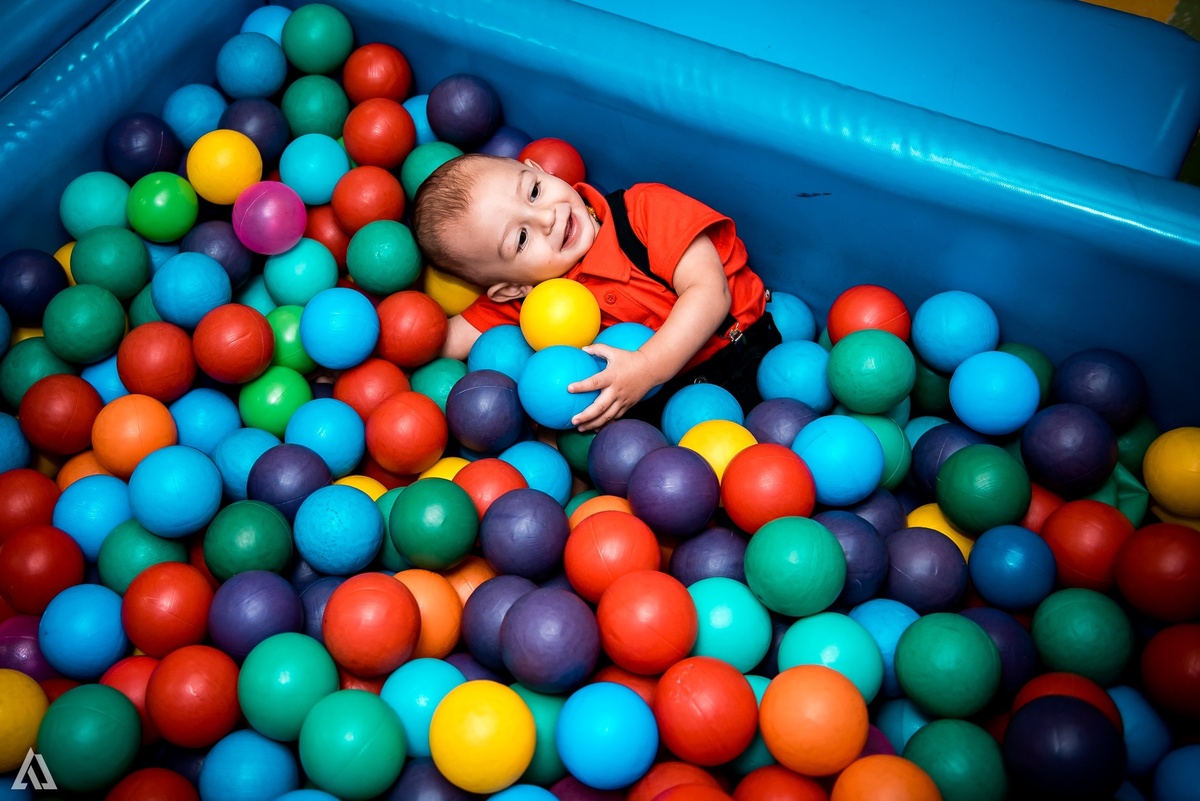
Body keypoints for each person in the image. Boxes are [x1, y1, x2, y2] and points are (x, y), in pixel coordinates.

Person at [412, 153, 779, 431]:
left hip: (748, 354)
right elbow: (435, 341)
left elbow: (710, 293)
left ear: (541, 168)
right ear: (511, 288)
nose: (547, 217)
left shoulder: (645, 211)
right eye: (521, 239)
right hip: (664, 415)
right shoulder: (531, 302)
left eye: (535, 192)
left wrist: (648, 368)